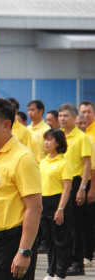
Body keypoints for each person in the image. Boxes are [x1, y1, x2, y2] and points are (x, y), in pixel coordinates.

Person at [0, 98, 42, 280]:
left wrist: (24, 252)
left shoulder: (22, 158)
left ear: (6, 125)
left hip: (10, 246)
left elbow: (34, 208)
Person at [58, 103, 92, 276]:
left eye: (65, 116)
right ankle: (67, 260)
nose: (62, 119)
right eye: (60, 115)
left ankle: (78, 263)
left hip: (76, 183)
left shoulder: (81, 137)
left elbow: (87, 164)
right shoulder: (59, 136)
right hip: (61, 184)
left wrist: (83, 188)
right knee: (64, 225)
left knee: (75, 226)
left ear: (74, 117)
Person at [40, 129, 73, 280]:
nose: (46, 142)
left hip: (58, 202)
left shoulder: (64, 162)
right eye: (45, 139)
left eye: (49, 139)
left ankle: (60, 273)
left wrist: (60, 209)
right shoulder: (43, 161)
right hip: (44, 203)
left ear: (58, 142)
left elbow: (67, 187)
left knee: (60, 240)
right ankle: (50, 271)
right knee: (49, 241)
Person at [75, 113, 95, 268]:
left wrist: (90, 190)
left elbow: (92, 168)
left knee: (86, 222)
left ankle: (88, 254)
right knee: (75, 224)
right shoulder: (68, 138)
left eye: (84, 123)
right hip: (71, 184)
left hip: (85, 183)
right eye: (79, 123)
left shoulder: (87, 140)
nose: (82, 125)